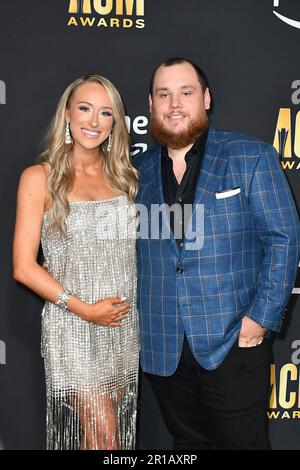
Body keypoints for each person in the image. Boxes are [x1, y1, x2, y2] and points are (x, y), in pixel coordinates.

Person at [134, 57, 300, 450]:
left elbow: (284, 238)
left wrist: (260, 318)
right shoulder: (134, 172)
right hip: (163, 345)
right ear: (151, 104)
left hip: (233, 342)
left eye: (185, 92)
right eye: (164, 94)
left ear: (205, 98)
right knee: (186, 445)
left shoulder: (249, 156)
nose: (175, 104)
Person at [13, 75, 139, 450]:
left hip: (122, 325)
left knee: (99, 437)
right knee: (106, 437)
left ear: (115, 122)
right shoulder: (40, 178)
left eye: (105, 113)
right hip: (73, 326)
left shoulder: (124, 177)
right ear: (67, 114)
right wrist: (84, 310)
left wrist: (107, 315)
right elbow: (23, 266)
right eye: (85, 109)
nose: (94, 122)